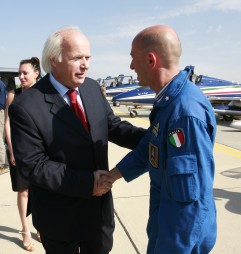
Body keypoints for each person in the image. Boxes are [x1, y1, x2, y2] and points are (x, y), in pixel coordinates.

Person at [8, 26, 145, 254]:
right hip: (59, 219)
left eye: (88, 57)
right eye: (77, 58)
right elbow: (33, 165)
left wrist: (152, 137)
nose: (85, 65)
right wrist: (88, 182)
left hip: (98, 215)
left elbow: (113, 126)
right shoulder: (26, 105)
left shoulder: (91, 88)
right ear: (54, 60)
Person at [108, 25, 217, 253]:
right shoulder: (168, 103)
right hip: (164, 226)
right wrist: (113, 175)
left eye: (132, 58)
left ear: (150, 59)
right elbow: (150, 147)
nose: (130, 66)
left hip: (177, 239)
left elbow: (189, 202)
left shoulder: (184, 113)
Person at [5, 57, 42, 252]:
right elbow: (7, 123)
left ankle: (39, 226)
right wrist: (11, 150)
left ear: (36, 73)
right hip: (17, 149)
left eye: (24, 73)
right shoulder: (14, 94)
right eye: (20, 73)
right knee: (24, 190)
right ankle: (25, 230)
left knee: (39, 189)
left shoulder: (42, 93)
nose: (21, 77)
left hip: (38, 150)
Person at [0, 77, 8, 174]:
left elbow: (2, 103)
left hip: (0, 111)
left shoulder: (0, 84)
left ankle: (3, 165)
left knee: (0, 139)